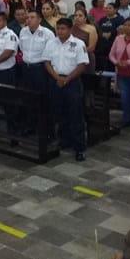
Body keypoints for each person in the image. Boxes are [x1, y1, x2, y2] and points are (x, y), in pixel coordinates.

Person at [44, 18, 89, 161]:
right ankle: (64, 141)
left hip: (72, 82)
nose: (60, 31)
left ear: (70, 29)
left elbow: (82, 65)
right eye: (58, 29)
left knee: (76, 115)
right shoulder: (51, 43)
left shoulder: (78, 44)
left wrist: (67, 79)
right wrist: (57, 78)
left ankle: (79, 148)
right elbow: (47, 62)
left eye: (63, 29)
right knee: (59, 113)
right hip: (56, 81)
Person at [19, 10, 55, 135]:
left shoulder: (47, 33)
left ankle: (47, 129)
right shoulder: (23, 31)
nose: (28, 19)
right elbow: (22, 48)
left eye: (32, 17)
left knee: (43, 99)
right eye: (27, 17)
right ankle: (30, 125)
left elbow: (50, 53)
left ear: (39, 20)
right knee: (28, 98)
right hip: (26, 69)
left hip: (41, 69)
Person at [96, 3, 125, 72]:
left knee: (111, 66)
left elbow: (120, 30)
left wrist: (111, 33)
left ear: (115, 10)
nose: (107, 9)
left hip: (113, 45)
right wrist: (102, 34)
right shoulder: (102, 19)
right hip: (102, 46)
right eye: (106, 8)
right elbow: (98, 29)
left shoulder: (120, 19)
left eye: (110, 8)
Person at [72, 9, 97, 74]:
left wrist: (78, 51)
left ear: (85, 18)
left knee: (87, 81)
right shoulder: (70, 28)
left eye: (80, 16)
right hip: (72, 58)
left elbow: (91, 48)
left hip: (87, 58)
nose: (77, 17)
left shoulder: (91, 29)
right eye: (75, 15)